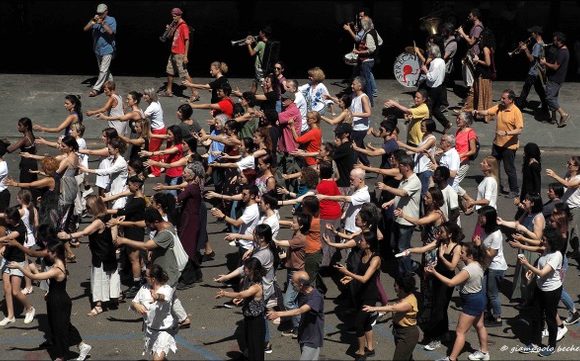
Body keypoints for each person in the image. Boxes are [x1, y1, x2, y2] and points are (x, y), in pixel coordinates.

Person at [7, 241, 92, 361]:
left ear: (55, 253)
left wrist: (19, 267)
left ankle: (61, 356)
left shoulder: (57, 269)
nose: (47, 254)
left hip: (60, 301)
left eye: (50, 252)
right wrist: (49, 292)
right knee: (62, 325)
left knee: (60, 328)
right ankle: (83, 346)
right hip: (55, 298)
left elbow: (35, 277)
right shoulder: (60, 262)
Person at [425, 243, 490, 361]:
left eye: (463, 253)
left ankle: (452, 358)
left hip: (471, 301)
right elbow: (459, 268)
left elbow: (451, 283)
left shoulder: (468, 269)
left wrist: (434, 272)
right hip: (479, 298)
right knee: (479, 325)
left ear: (470, 255)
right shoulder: (478, 264)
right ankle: (484, 352)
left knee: (460, 332)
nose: (460, 253)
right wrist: (443, 257)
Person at [57, 195, 120, 316]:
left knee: (99, 278)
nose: (87, 209)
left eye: (88, 207)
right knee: (110, 275)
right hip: (108, 251)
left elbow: (85, 232)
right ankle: (113, 298)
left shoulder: (98, 221)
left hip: (101, 254)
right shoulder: (106, 215)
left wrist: (68, 236)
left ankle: (98, 305)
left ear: (94, 207)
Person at [517, 227, 564, 357]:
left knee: (550, 318)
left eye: (544, 239)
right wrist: (532, 271)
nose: (542, 241)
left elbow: (544, 272)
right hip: (540, 288)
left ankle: (551, 345)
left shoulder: (557, 255)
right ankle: (535, 343)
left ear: (551, 241)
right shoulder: (546, 250)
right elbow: (540, 265)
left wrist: (527, 264)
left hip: (552, 291)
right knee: (536, 316)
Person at [334, 231, 381, 361]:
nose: (359, 242)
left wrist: (347, 272)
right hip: (360, 293)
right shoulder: (362, 255)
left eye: (362, 241)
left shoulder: (375, 259)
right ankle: (370, 348)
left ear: (369, 244)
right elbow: (359, 272)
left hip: (370, 295)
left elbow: (365, 278)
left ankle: (361, 352)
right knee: (365, 322)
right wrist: (349, 277)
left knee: (359, 322)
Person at [475, 89, 523, 198]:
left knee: (509, 169)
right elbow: (487, 112)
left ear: (510, 100)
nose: (501, 100)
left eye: (504, 98)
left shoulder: (516, 112)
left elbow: (519, 130)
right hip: (497, 144)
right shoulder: (500, 107)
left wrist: (506, 133)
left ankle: (514, 190)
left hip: (509, 146)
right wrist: (477, 112)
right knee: (493, 166)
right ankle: (496, 186)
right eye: (501, 98)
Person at [216, 258, 265, 361]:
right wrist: (242, 301)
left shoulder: (256, 286)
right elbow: (246, 296)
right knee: (249, 343)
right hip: (249, 317)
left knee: (256, 347)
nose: (244, 269)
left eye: (246, 267)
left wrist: (225, 294)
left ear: (252, 270)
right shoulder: (249, 279)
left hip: (256, 321)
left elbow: (240, 294)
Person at [267, 271, 324, 361]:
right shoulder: (302, 293)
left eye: (293, 282)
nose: (291, 284)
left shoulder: (316, 297)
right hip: (304, 335)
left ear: (301, 284)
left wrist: (278, 314)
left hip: (312, 338)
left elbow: (299, 311)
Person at [381, 153, 421, 275]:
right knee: (395, 244)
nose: (398, 168)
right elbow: (400, 195)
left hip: (407, 221)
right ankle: (409, 264)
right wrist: (391, 201)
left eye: (401, 166)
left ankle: (406, 272)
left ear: (407, 167)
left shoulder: (414, 181)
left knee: (402, 247)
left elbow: (403, 193)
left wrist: (386, 188)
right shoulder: (405, 179)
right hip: (398, 218)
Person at [363, 275, 419, 360]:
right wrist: (383, 313)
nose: (394, 287)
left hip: (407, 335)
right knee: (407, 358)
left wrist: (373, 308)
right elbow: (393, 307)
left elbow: (393, 308)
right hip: (399, 331)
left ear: (401, 287)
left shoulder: (408, 302)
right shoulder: (403, 295)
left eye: (395, 285)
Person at [131, 264, 177, 360]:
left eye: (146, 276)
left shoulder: (167, 289)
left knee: (157, 359)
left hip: (165, 330)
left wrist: (157, 297)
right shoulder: (144, 288)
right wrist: (136, 305)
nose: (144, 277)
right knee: (159, 358)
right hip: (150, 331)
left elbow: (164, 298)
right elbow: (133, 303)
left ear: (153, 279)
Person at [273, 213, 308, 336]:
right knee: (294, 300)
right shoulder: (296, 234)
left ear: (301, 225)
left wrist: (270, 237)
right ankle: (295, 323)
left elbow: (281, 243)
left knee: (288, 301)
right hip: (292, 271)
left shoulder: (300, 238)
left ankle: (298, 326)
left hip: (297, 273)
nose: (291, 224)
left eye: (294, 222)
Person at [0, 206, 35, 326]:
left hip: (17, 261)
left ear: (12, 219)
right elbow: (7, 242)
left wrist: (2, 241)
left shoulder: (20, 229)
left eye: (7, 218)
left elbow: (9, 237)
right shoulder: (10, 224)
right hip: (6, 259)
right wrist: (4, 247)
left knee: (15, 291)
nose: (5, 219)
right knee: (6, 289)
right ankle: (10, 316)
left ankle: (30, 308)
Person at [472, 206, 507, 327]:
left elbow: (491, 254)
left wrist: (479, 245)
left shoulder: (496, 234)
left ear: (489, 218)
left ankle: (497, 317)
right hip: (487, 265)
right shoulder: (484, 229)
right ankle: (487, 312)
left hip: (496, 267)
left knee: (492, 293)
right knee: (484, 290)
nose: (480, 218)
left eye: (482, 216)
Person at [175, 162, 207, 289]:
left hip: (190, 221)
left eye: (186, 172)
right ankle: (197, 274)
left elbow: (178, 198)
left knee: (186, 248)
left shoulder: (191, 187)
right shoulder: (194, 186)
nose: (183, 174)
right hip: (191, 219)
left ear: (193, 175)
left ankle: (188, 279)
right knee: (190, 247)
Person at [546, 156, 580, 259]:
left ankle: (561, 255)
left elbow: (568, 185)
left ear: (577, 167)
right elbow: (564, 185)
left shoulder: (578, 178)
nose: (567, 165)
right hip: (565, 206)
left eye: (570, 164)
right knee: (573, 231)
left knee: (565, 231)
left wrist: (554, 175)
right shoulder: (568, 174)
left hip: (574, 208)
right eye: (567, 163)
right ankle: (576, 250)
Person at [83, 3, 116, 97]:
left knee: (102, 70)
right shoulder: (95, 19)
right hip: (97, 49)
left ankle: (96, 89)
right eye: (98, 13)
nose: (100, 14)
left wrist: (102, 23)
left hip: (108, 49)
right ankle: (111, 84)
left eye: (102, 13)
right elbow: (85, 29)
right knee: (104, 69)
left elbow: (111, 32)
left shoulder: (111, 20)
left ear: (106, 12)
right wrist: (93, 21)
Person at [515, 26, 549, 116]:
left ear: (536, 33)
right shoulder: (541, 43)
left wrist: (525, 49)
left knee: (525, 89)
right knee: (539, 90)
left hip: (533, 71)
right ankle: (545, 107)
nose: (531, 34)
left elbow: (531, 59)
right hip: (537, 71)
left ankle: (518, 106)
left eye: (532, 33)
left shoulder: (538, 45)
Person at [464, 28, 496, 123]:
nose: (480, 38)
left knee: (483, 94)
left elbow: (488, 63)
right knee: (480, 94)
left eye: (482, 37)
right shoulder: (488, 47)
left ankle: (484, 115)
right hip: (482, 74)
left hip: (484, 75)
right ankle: (481, 113)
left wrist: (477, 60)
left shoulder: (485, 48)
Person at [161, 7, 193, 98]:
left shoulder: (183, 26)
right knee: (170, 71)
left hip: (180, 53)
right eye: (172, 16)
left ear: (179, 15)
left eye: (175, 16)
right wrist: (169, 30)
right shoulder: (175, 25)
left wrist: (185, 55)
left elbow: (187, 41)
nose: (173, 18)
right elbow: (170, 37)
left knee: (184, 74)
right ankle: (169, 91)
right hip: (173, 52)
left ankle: (195, 93)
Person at [541, 32, 570, 127]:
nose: (553, 42)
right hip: (558, 78)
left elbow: (555, 67)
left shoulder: (562, 52)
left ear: (559, 41)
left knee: (549, 98)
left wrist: (545, 63)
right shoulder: (563, 50)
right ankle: (553, 118)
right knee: (554, 98)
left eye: (555, 40)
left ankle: (563, 114)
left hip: (555, 78)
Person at [421, 44, 451, 131]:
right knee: (435, 109)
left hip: (433, 89)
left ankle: (427, 128)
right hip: (439, 88)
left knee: (428, 109)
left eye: (429, 52)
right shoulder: (441, 61)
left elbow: (431, 78)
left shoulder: (435, 63)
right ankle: (446, 123)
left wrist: (425, 70)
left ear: (432, 53)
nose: (427, 53)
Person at [7, 118, 39, 200]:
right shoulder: (31, 135)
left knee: (25, 185)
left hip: (26, 165)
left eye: (20, 125)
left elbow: (10, 150)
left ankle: (27, 203)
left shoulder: (24, 139)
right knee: (32, 184)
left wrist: (4, 144)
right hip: (33, 163)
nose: (18, 127)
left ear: (26, 127)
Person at [353, 16, 380, 106]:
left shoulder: (368, 34)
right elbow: (380, 41)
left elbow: (371, 49)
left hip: (367, 61)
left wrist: (358, 51)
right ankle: (365, 99)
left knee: (366, 81)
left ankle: (369, 101)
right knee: (365, 79)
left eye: (361, 24)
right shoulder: (373, 32)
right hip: (369, 60)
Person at [456, 8, 484, 92]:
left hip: (474, 54)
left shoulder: (478, 27)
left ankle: (472, 96)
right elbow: (472, 39)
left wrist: (462, 33)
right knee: (468, 74)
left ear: (475, 17)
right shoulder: (474, 26)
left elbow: (472, 42)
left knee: (471, 76)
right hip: (470, 53)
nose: (469, 17)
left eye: (470, 16)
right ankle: (470, 95)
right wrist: (465, 36)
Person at [349, 77, 372, 166]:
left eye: (354, 84)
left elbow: (368, 113)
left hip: (360, 128)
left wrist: (354, 114)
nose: (352, 85)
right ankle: (366, 164)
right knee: (360, 145)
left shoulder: (363, 98)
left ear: (360, 86)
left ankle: (353, 166)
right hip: (355, 126)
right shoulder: (354, 95)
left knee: (354, 148)